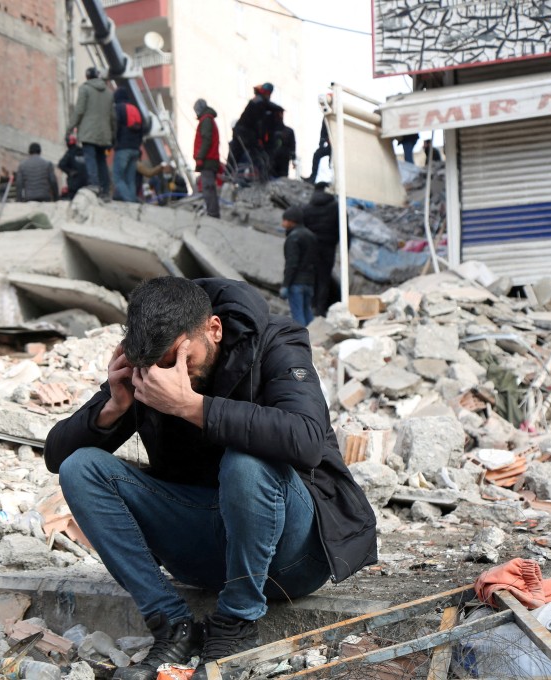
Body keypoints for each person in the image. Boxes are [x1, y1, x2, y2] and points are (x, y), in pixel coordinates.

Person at [44, 276, 377, 680]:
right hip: (205, 552)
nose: (170, 377)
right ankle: (173, 626)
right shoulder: (152, 364)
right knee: (83, 467)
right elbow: (57, 456)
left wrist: (191, 406)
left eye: (181, 361)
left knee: (246, 461)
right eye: (158, 368)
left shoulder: (276, 341)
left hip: (292, 557)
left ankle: (236, 625)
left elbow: (306, 440)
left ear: (214, 329)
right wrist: (113, 407)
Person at [68, 66, 115, 197]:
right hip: (104, 134)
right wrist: (113, 134)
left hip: (88, 133)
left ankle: (94, 184)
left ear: (87, 77)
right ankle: (105, 189)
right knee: (101, 160)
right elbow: (113, 117)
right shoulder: (109, 92)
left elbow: (79, 111)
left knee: (90, 159)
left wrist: (70, 127)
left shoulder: (84, 89)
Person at [303, 182, 341, 317]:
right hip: (328, 248)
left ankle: (310, 307)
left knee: (311, 277)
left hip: (311, 249)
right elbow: (344, 231)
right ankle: (320, 309)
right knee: (324, 279)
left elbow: (302, 230)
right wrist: (345, 249)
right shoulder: (337, 208)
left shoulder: (307, 208)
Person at [280, 206, 318, 326]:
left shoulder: (293, 238)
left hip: (296, 282)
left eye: (285, 220)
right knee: (307, 312)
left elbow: (292, 263)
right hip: (309, 282)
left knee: (298, 315)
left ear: (292, 221)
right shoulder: (311, 236)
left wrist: (286, 284)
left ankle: (302, 341)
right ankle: (314, 338)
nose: (283, 223)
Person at [230, 83, 274, 181]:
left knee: (237, 153)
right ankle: (262, 176)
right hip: (246, 133)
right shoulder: (260, 103)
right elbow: (259, 123)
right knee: (256, 153)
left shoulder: (256, 101)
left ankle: (230, 173)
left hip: (240, 132)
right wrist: (261, 138)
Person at [113, 88, 145, 202]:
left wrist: (114, 142)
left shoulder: (118, 108)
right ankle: (133, 203)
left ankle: (130, 201)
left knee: (117, 177)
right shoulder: (135, 109)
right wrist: (137, 144)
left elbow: (115, 126)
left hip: (123, 148)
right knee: (130, 179)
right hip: (135, 149)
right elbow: (143, 129)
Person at [193, 99, 221, 218]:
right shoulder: (208, 119)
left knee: (208, 187)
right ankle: (212, 211)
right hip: (210, 158)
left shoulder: (206, 120)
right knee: (208, 187)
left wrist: (200, 157)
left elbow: (206, 140)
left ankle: (212, 213)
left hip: (208, 159)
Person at [268, 107, 296, 179]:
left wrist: (293, 159)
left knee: (282, 179)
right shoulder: (269, 131)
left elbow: (292, 145)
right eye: (278, 114)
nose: (280, 116)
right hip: (272, 161)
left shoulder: (289, 131)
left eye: (281, 114)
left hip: (283, 160)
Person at [58, 134, 88, 199]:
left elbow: (61, 164)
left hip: (74, 185)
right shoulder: (83, 152)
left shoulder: (70, 153)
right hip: (86, 184)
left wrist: (69, 171)